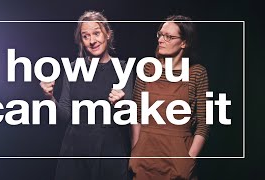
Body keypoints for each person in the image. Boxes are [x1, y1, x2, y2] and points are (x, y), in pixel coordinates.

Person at [40, 11, 133, 180]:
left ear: (108, 34)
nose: (92, 41)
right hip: (74, 152)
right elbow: (65, 115)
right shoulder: (73, 68)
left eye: (96, 33)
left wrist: (122, 104)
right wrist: (50, 98)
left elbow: (130, 118)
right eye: (86, 36)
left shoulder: (124, 68)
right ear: (81, 41)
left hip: (109, 151)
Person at [129, 15, 210, 180]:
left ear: (184, 42)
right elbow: (136, 114)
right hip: (145, 158)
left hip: (177, 160)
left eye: (169, 36)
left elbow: (204, 122)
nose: (161, 40)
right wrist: (135, 151)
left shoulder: (197, 73)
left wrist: (188, 160)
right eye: (160, 34)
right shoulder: (147, 69)